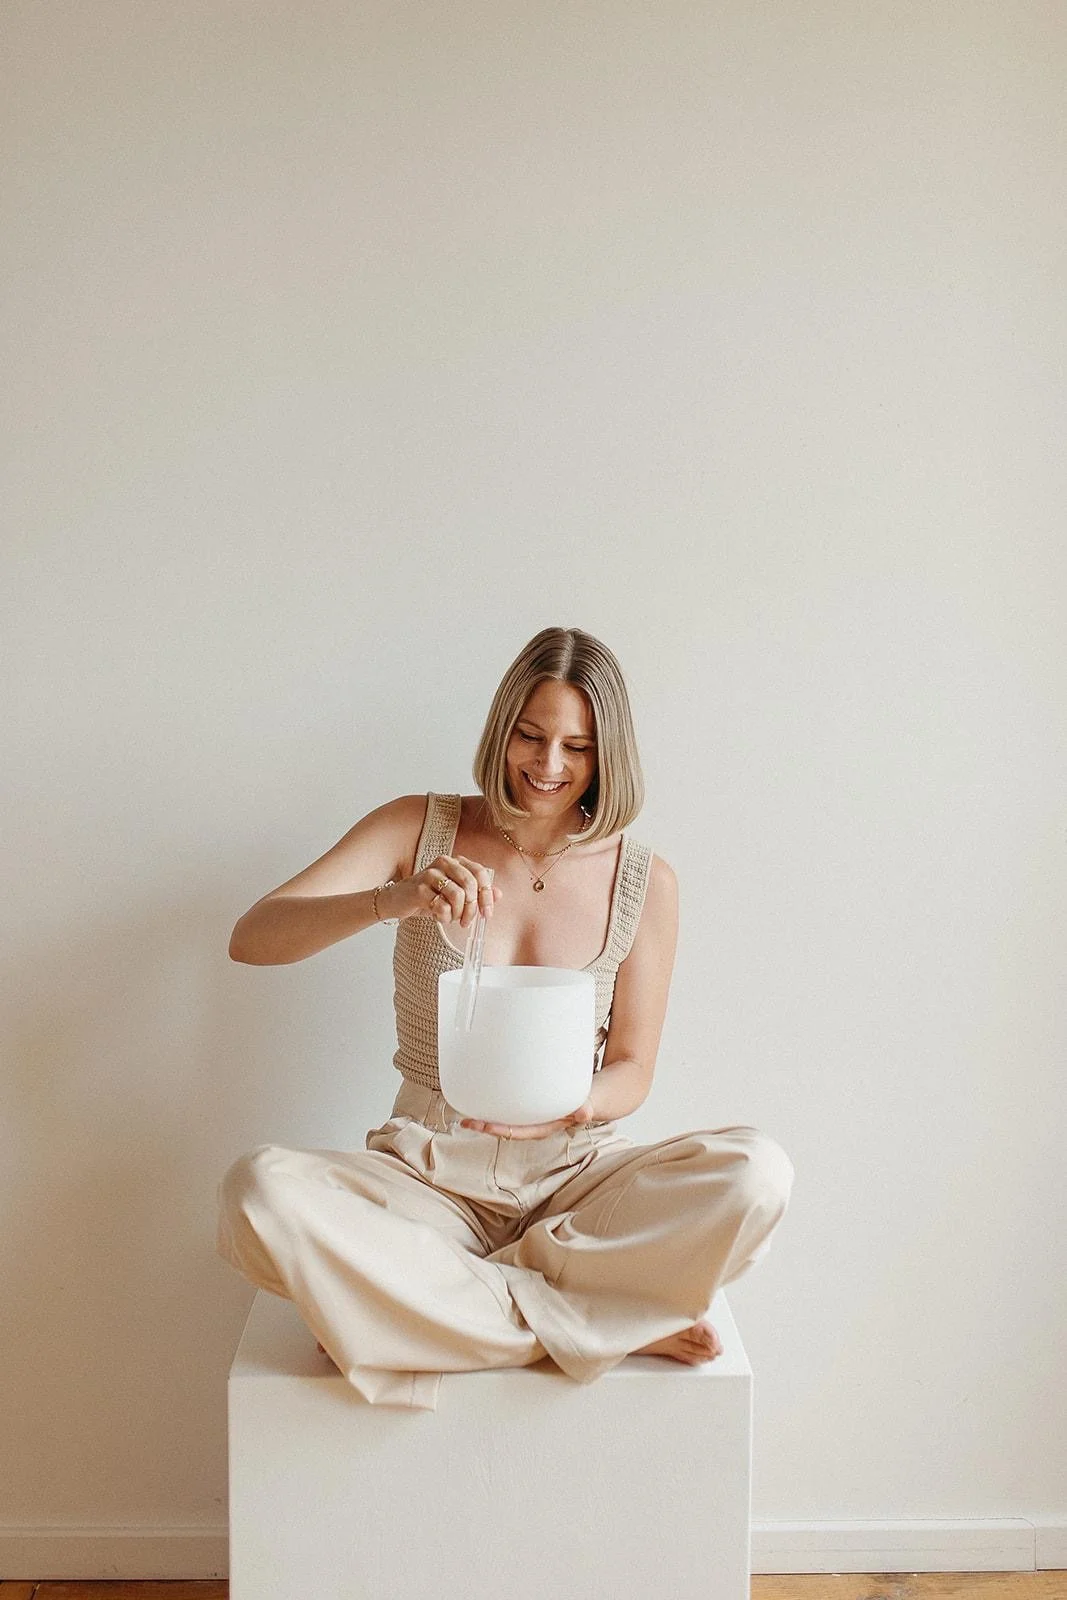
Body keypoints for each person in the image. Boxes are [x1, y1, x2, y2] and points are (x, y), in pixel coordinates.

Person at [216, 625, 794, 1410]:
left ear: (607, 755)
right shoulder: (417, 827)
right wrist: (396, 898)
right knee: (260, 1191)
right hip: (425, 1172)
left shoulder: (644, 880)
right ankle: (591, 1321)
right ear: (501, 729)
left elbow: (632, 1066)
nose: (547, 766)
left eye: (576, 747)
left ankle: (424, 1314)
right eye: (529, 735)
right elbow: (253, 939)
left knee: (756, 1173)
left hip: (574, 1179)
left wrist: (579, 1106)